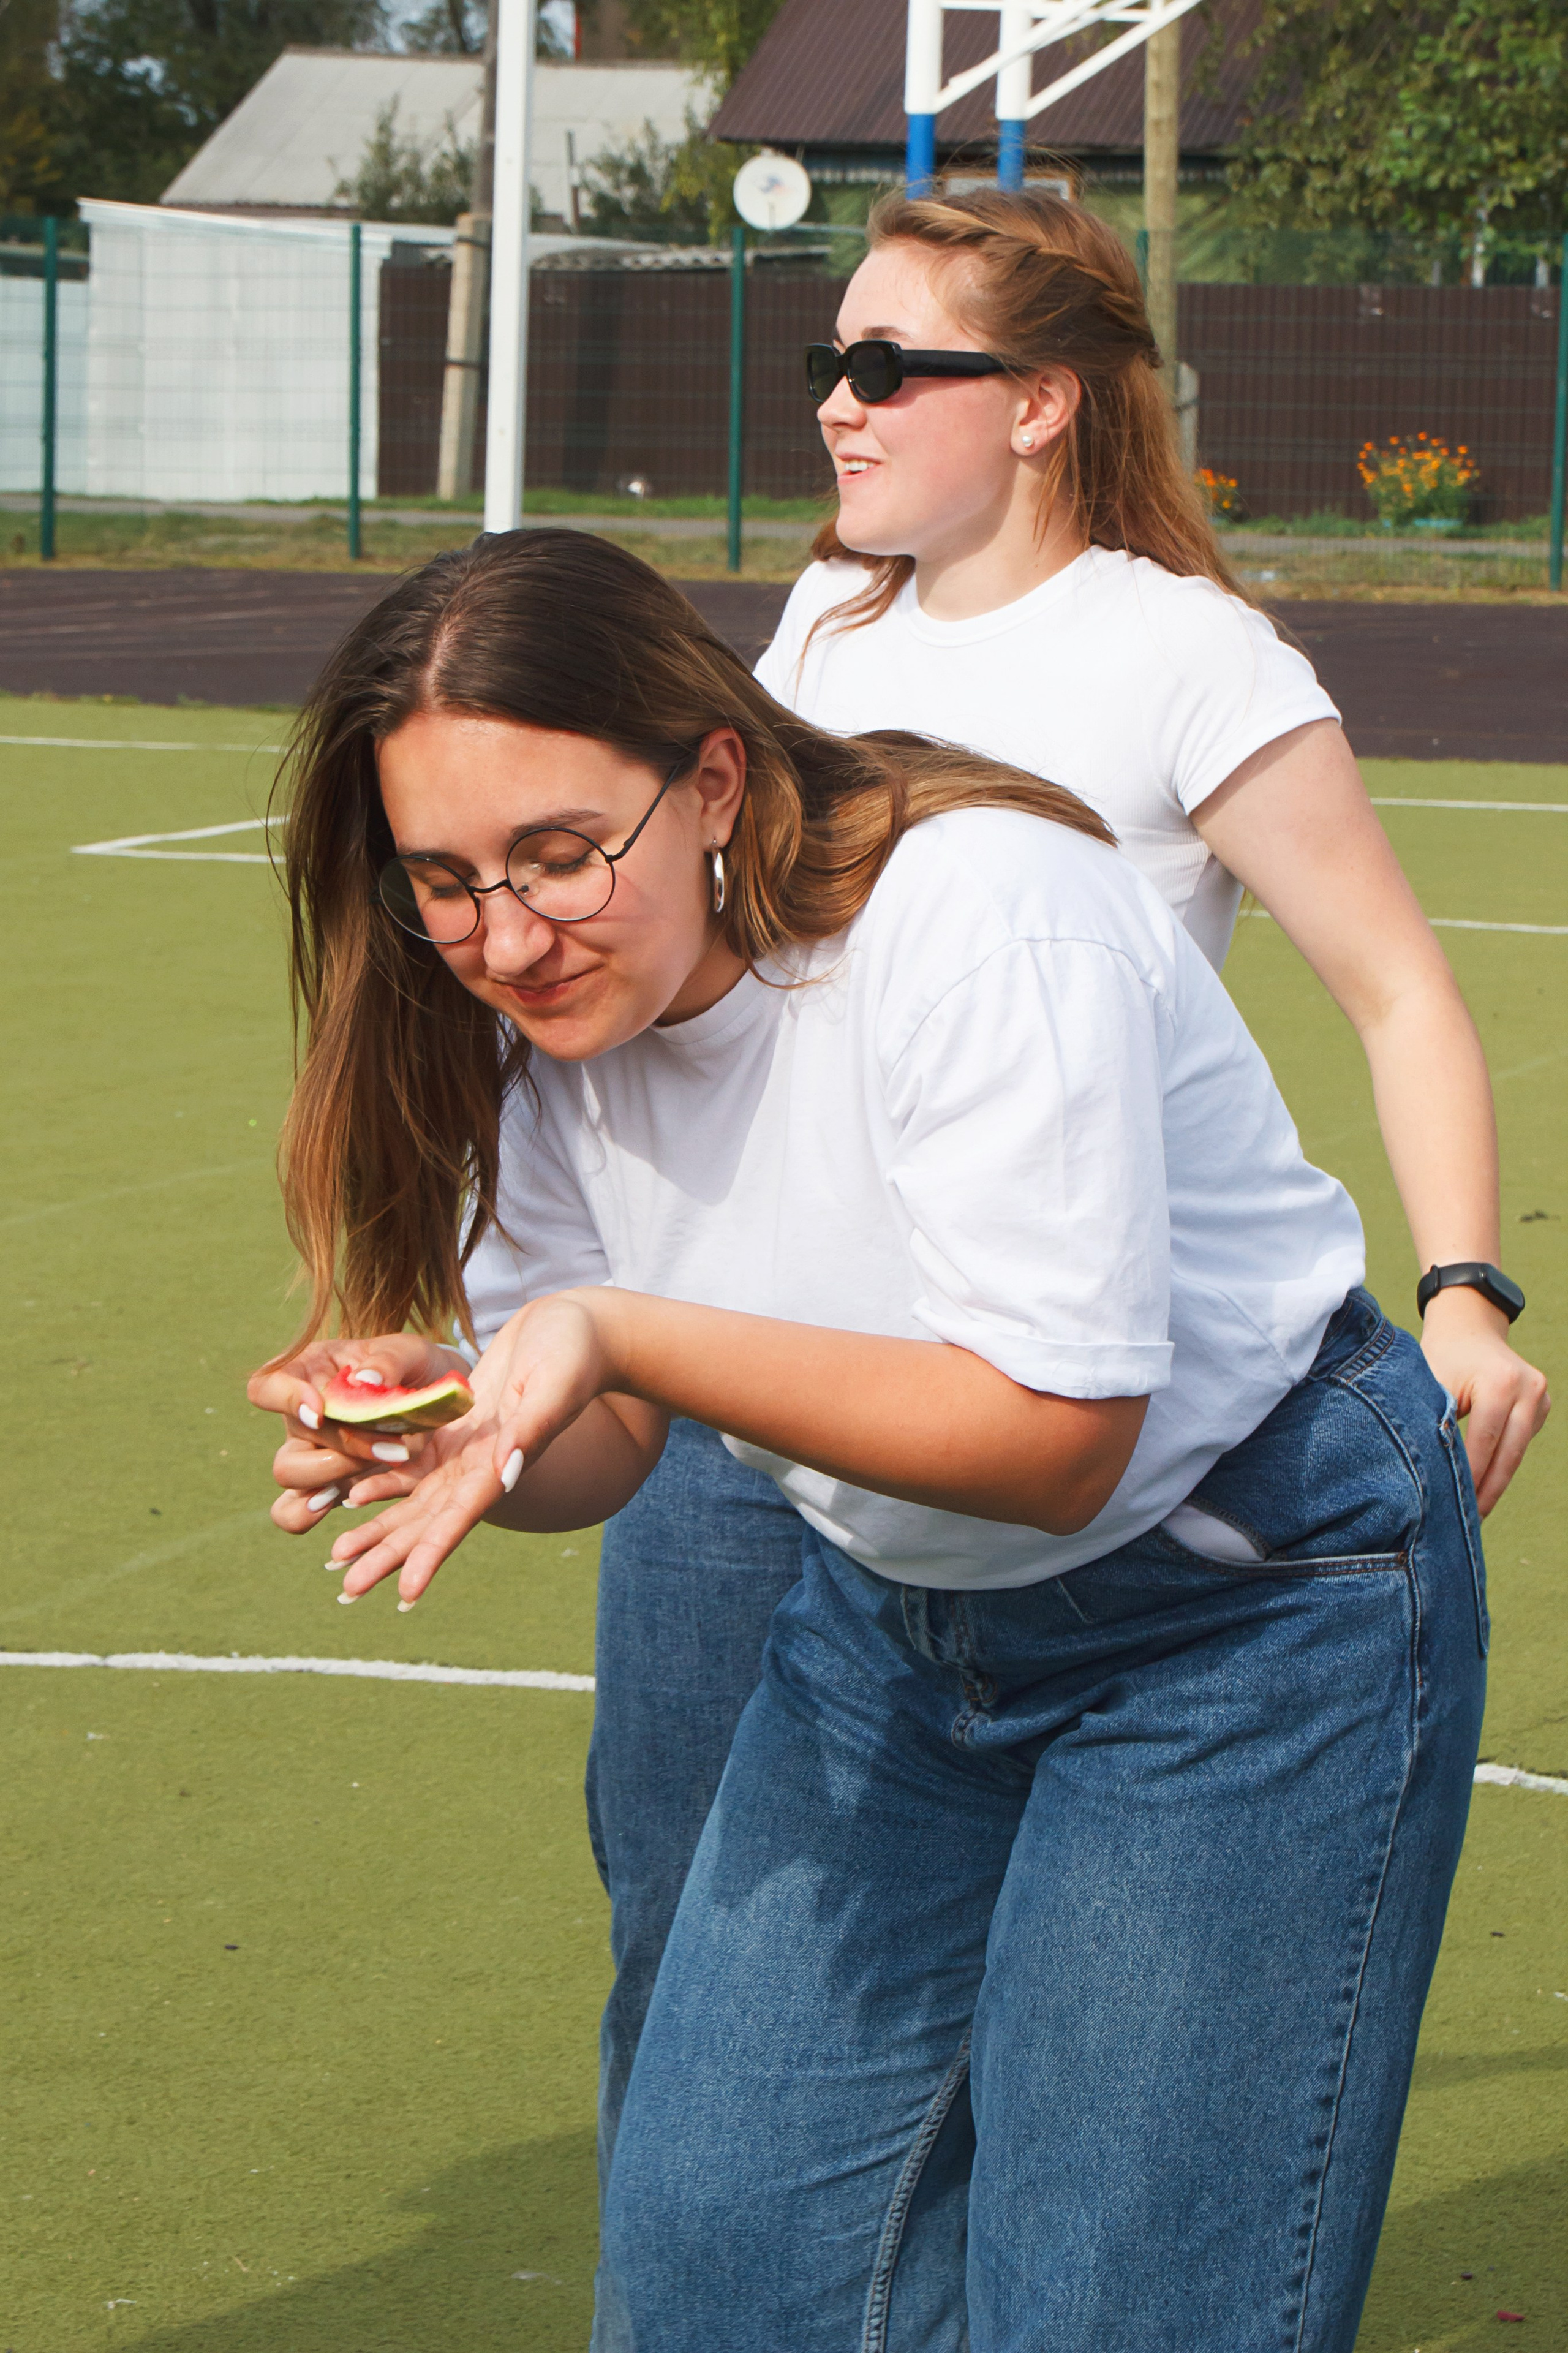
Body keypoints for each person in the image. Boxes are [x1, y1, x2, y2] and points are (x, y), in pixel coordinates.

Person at [252, 527, 1489, 2349]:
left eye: (560, 854)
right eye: (444, 879)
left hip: (1242, 1606)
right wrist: (473, 1432)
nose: (505, 937)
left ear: (715, 781)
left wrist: (614, 1334)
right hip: (896, 1622)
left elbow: (1055, 1439)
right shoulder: (537, 1017)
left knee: (1113, 2303)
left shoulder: (979, 912)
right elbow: (615, 1431)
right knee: (715, 2272)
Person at [587, 184, 1549, 2211]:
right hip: (747, 1392)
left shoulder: (1187, 657)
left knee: (1000, 2032)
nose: (836, 404)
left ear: (1037, 403)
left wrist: (1467, 1291)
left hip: (1014, 1394)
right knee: (691, 1943)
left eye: (884, 367)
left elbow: (1399, 987)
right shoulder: (825, 623)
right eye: (830, 361)